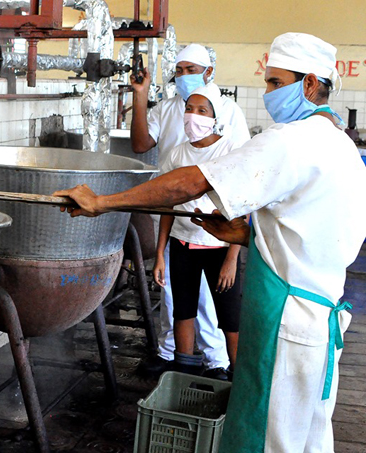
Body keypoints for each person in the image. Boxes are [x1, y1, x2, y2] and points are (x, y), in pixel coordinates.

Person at [55, 32, 366, 452]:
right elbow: (314, 229)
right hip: (319, 318)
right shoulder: (340, 145)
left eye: (275, 83)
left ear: (309, 84)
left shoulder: (294, 138)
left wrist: (103, 201)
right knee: (307, 438)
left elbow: (193, 181)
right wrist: (247, 234)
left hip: (287, 323)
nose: (269, 93)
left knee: (267, 438)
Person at [131, 43, 250, 379]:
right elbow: (142, 147)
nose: (184, 77)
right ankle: (178, 362)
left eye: (191, 70)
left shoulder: (229, 123)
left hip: (218, 238)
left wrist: (232, 254)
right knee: (178, 302)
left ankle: (219, 364)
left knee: (219, 309)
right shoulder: (172, 129)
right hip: (181, 234)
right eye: (179, 71)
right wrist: (140, 96)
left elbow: (242, 194)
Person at [153, 82, 242, 377]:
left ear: (215, 116)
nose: (194, 116)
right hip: (182, 245)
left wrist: (232, 259)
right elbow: (168, 207)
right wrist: (160, 255)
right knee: (183, 311)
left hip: (219, 249)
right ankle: (183, 375)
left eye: (202, 110)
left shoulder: (230, 150)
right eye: (189, 109)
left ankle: (237, 379)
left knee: (230, 318)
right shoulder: (177, 155)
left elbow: (243, 209)